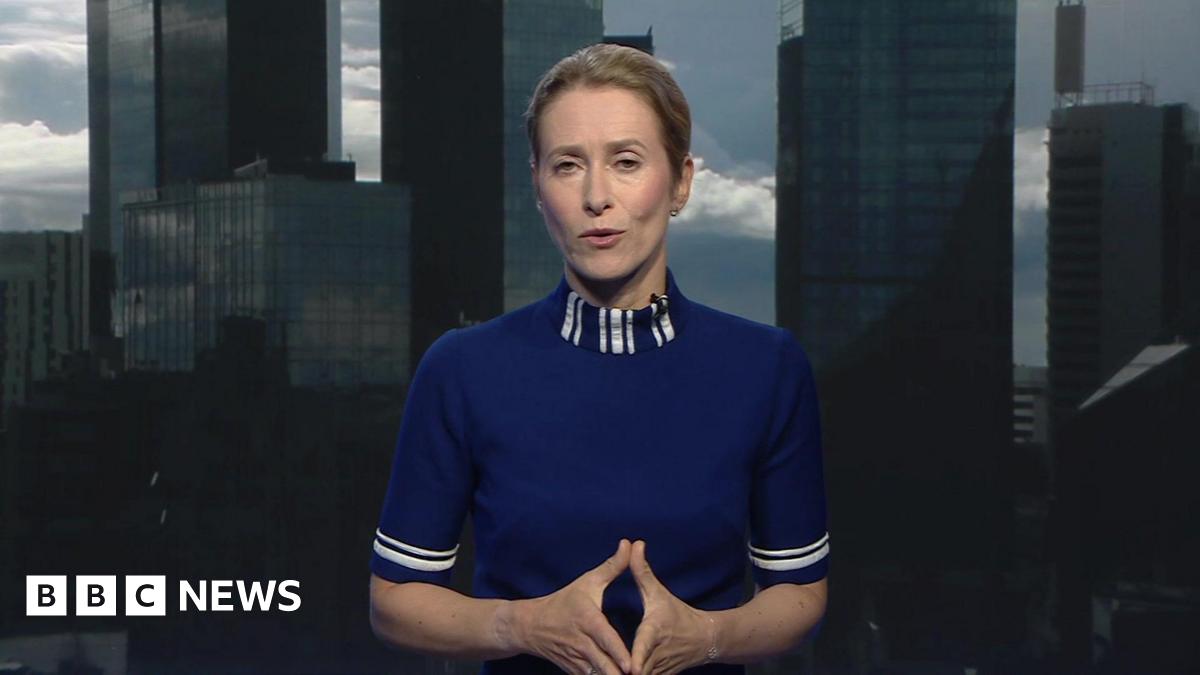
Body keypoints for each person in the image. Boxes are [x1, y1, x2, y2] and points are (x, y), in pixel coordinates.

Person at [368, 43, 829, 675]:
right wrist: (522, 626)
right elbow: (393, 602)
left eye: (627, 162)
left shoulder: (766, 368)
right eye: (566, 165)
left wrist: (708, 636)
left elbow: (800, 596)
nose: (595, 196)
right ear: (538, 185)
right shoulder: (462, 369)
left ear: (681, 182)